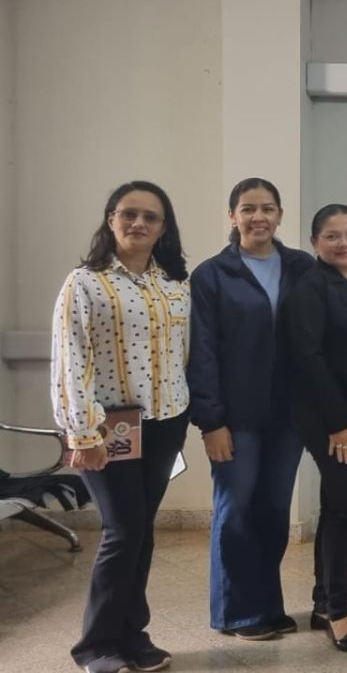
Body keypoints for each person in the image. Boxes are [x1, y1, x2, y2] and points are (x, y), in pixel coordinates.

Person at [51, 181, 191, 673]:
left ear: (163, 228)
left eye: (150, 217)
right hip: (106, 428)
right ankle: (96, 645)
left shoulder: (174, 284)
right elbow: (70, 361)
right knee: (123, 530)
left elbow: (184, 353)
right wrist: (83, 435)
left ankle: (133, 635)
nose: (138, 223)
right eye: (129, 213)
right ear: (111, 219)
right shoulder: (84, 283)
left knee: (140, 531)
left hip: (165, 423)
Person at [188, 178, 315, 641]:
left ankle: (266, 605)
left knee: (274, 508)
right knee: (236, 507)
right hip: (235, 417)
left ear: (280, 215)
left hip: (288, 416)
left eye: (267, 208)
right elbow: (201, 353)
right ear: (233, 216)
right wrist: (211, 421)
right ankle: (238, 612)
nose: (258, 217)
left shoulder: (301, 267)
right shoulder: (212, 275)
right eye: (248, 208)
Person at [283, 204, 347, 654]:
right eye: (332, 236)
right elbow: (308, 358)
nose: (343, 243)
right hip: (329, 415)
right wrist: (339, 422)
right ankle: (339, 613)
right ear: (314, 242)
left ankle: (324, 603)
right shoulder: (310, 287)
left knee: (336, 506)